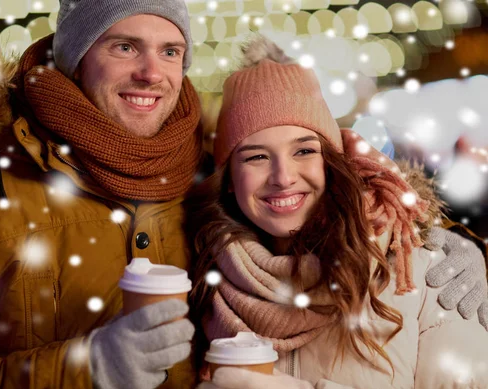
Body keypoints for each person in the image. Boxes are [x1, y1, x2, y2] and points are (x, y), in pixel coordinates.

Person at [0, 0, 201, 388]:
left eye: (170, 51)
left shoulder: (210, 185)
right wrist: (88, 368)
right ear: (76, 60)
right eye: (125, 47)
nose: (152, 73)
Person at [188, 36, 488, 389]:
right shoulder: (202, 276)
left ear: (331, 162)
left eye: (303, 152)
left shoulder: (426, 270)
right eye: (256, 157)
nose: (283, 178)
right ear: (228, 180)